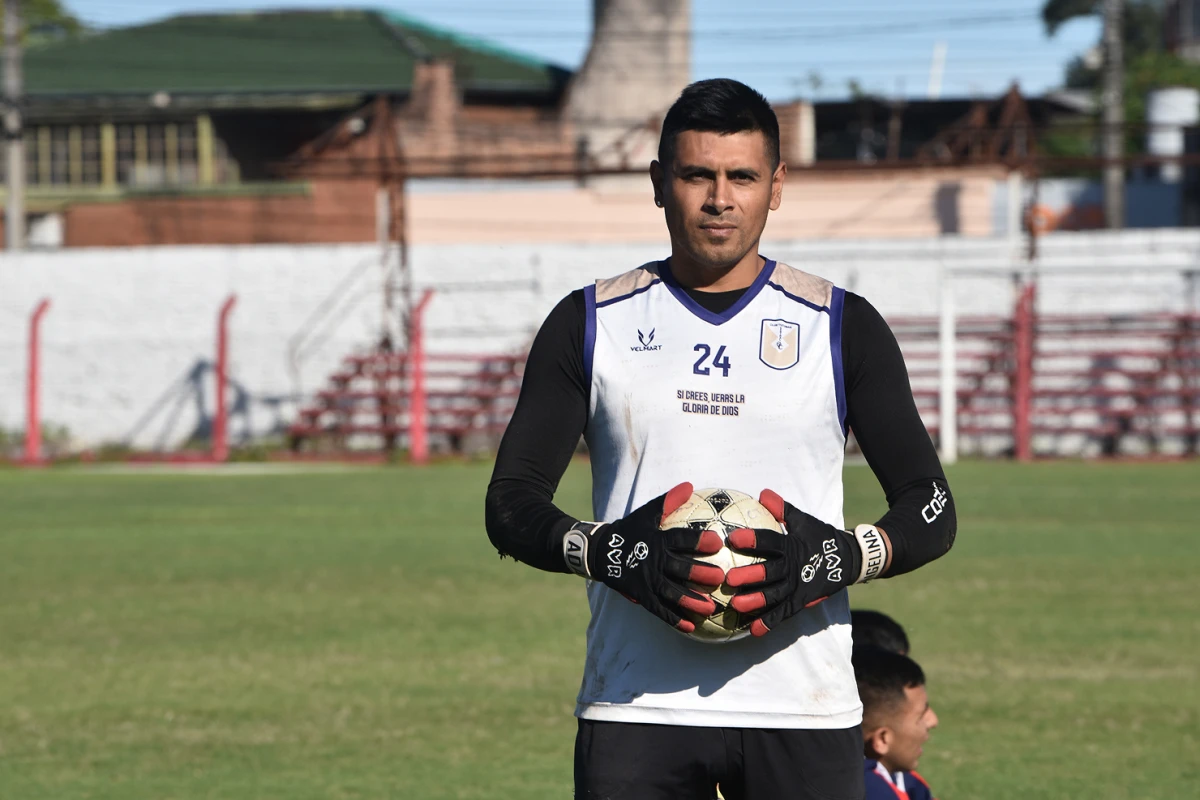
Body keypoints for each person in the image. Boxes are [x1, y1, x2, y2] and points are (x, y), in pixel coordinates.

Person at [484, 78, 957, 800]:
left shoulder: (841, 325)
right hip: (636, 703)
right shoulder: (590, 322)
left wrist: (834, 558)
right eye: (696, 175)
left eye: (742, 176)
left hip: (804, 708)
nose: (719, 199)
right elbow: (511, 503)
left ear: (776, 186)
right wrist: (610, 552)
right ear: (658, 183)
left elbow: (931, 507)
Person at [854, 647, 940, 800]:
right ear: (882, 739)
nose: (933, 721)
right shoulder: (873, 792)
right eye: (921, 716)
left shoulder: (907, 782)